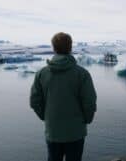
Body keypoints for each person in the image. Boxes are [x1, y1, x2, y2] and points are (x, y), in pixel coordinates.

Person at [30, 32, 97, 161]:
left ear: (53, 48)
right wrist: (87, 120)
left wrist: (46, 117)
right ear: (70, 47)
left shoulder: (41, 74)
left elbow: (34, 101)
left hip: (53, 131)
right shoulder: (82, 74)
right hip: (76, 132)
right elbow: (89, 102)